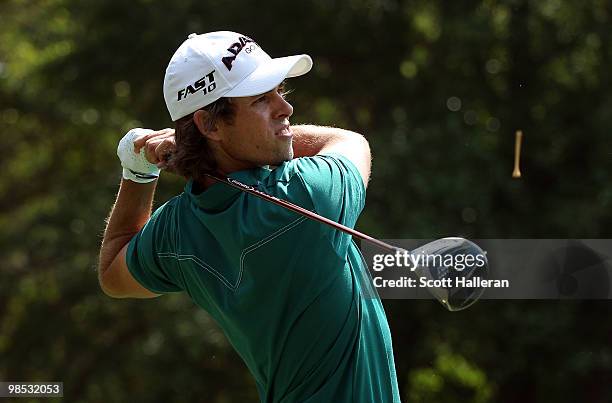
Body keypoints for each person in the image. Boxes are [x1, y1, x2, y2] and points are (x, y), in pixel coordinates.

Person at [98, 31, 400, 402]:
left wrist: (137, 168)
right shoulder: (306, 195)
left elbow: (113, 271)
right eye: (261, 99)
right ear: (210, 125)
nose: (285, 108)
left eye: (279, 91)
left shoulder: (176, 230)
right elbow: (349, 141)